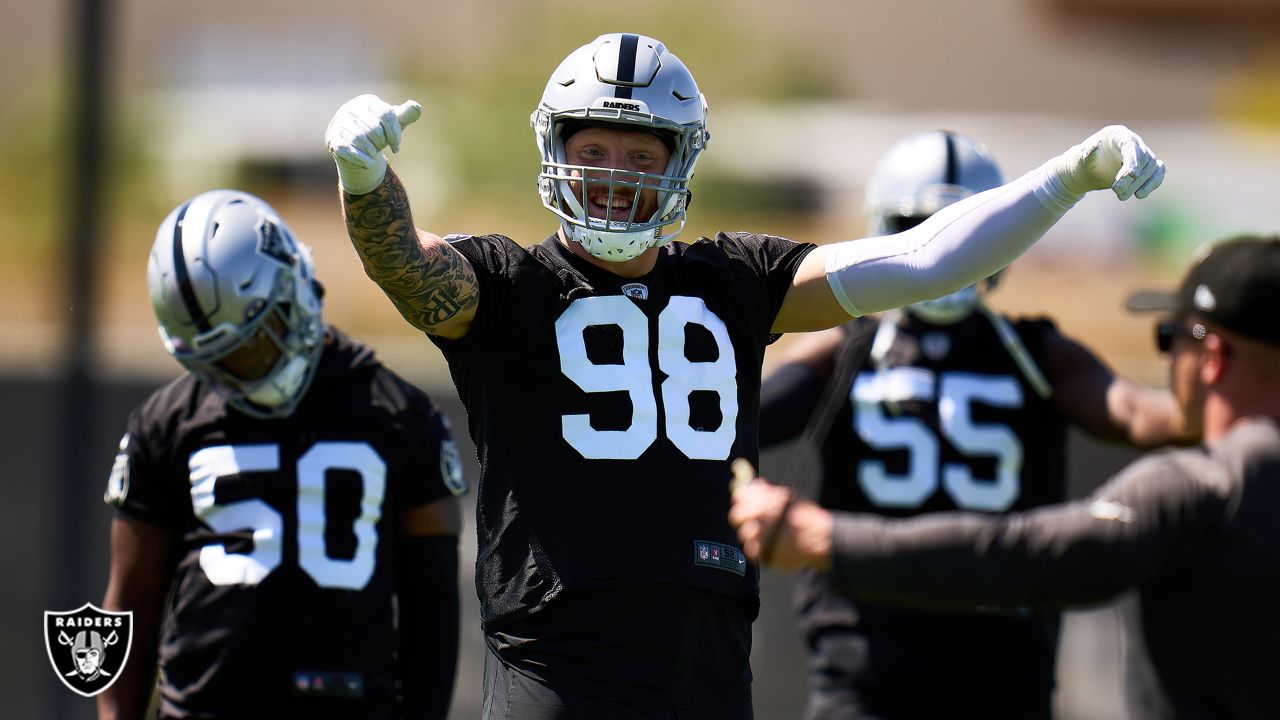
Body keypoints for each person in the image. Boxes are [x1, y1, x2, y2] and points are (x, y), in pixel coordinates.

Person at [323, 32, 1164, 719]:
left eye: (639, 154)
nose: (616, 175)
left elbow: (919, 261)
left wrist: (1068, 178)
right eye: (595, 148)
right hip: (556, 660)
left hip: (707, 660)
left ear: (678, 161)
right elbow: (408, 267)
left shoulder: (734, 280)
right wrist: (365, 180)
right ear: (557, 151)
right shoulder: (511, 285)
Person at [732, 234, 1280, 719]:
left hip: (923, 665)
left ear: (1211, 356)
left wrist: (827, 538)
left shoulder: (1201, 488)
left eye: (1170, 338)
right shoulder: (867, 348)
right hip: (908, 671)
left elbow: (1031, 552)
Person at [757, 130, 1186, 720]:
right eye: (921, 228)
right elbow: (730, 419)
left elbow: (1142, 415)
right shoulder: (848, 348)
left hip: (1000, 665)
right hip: (867, 665)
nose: (946, 251)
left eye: (963, 229)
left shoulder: (1034, 352)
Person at [98, 190, 468, 720]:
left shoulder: (399, 415)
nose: (236, 377)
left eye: (248, 349)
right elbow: (132, 598)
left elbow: (431, 608)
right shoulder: (169, 422)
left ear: (289, 292)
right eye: (215, 363)